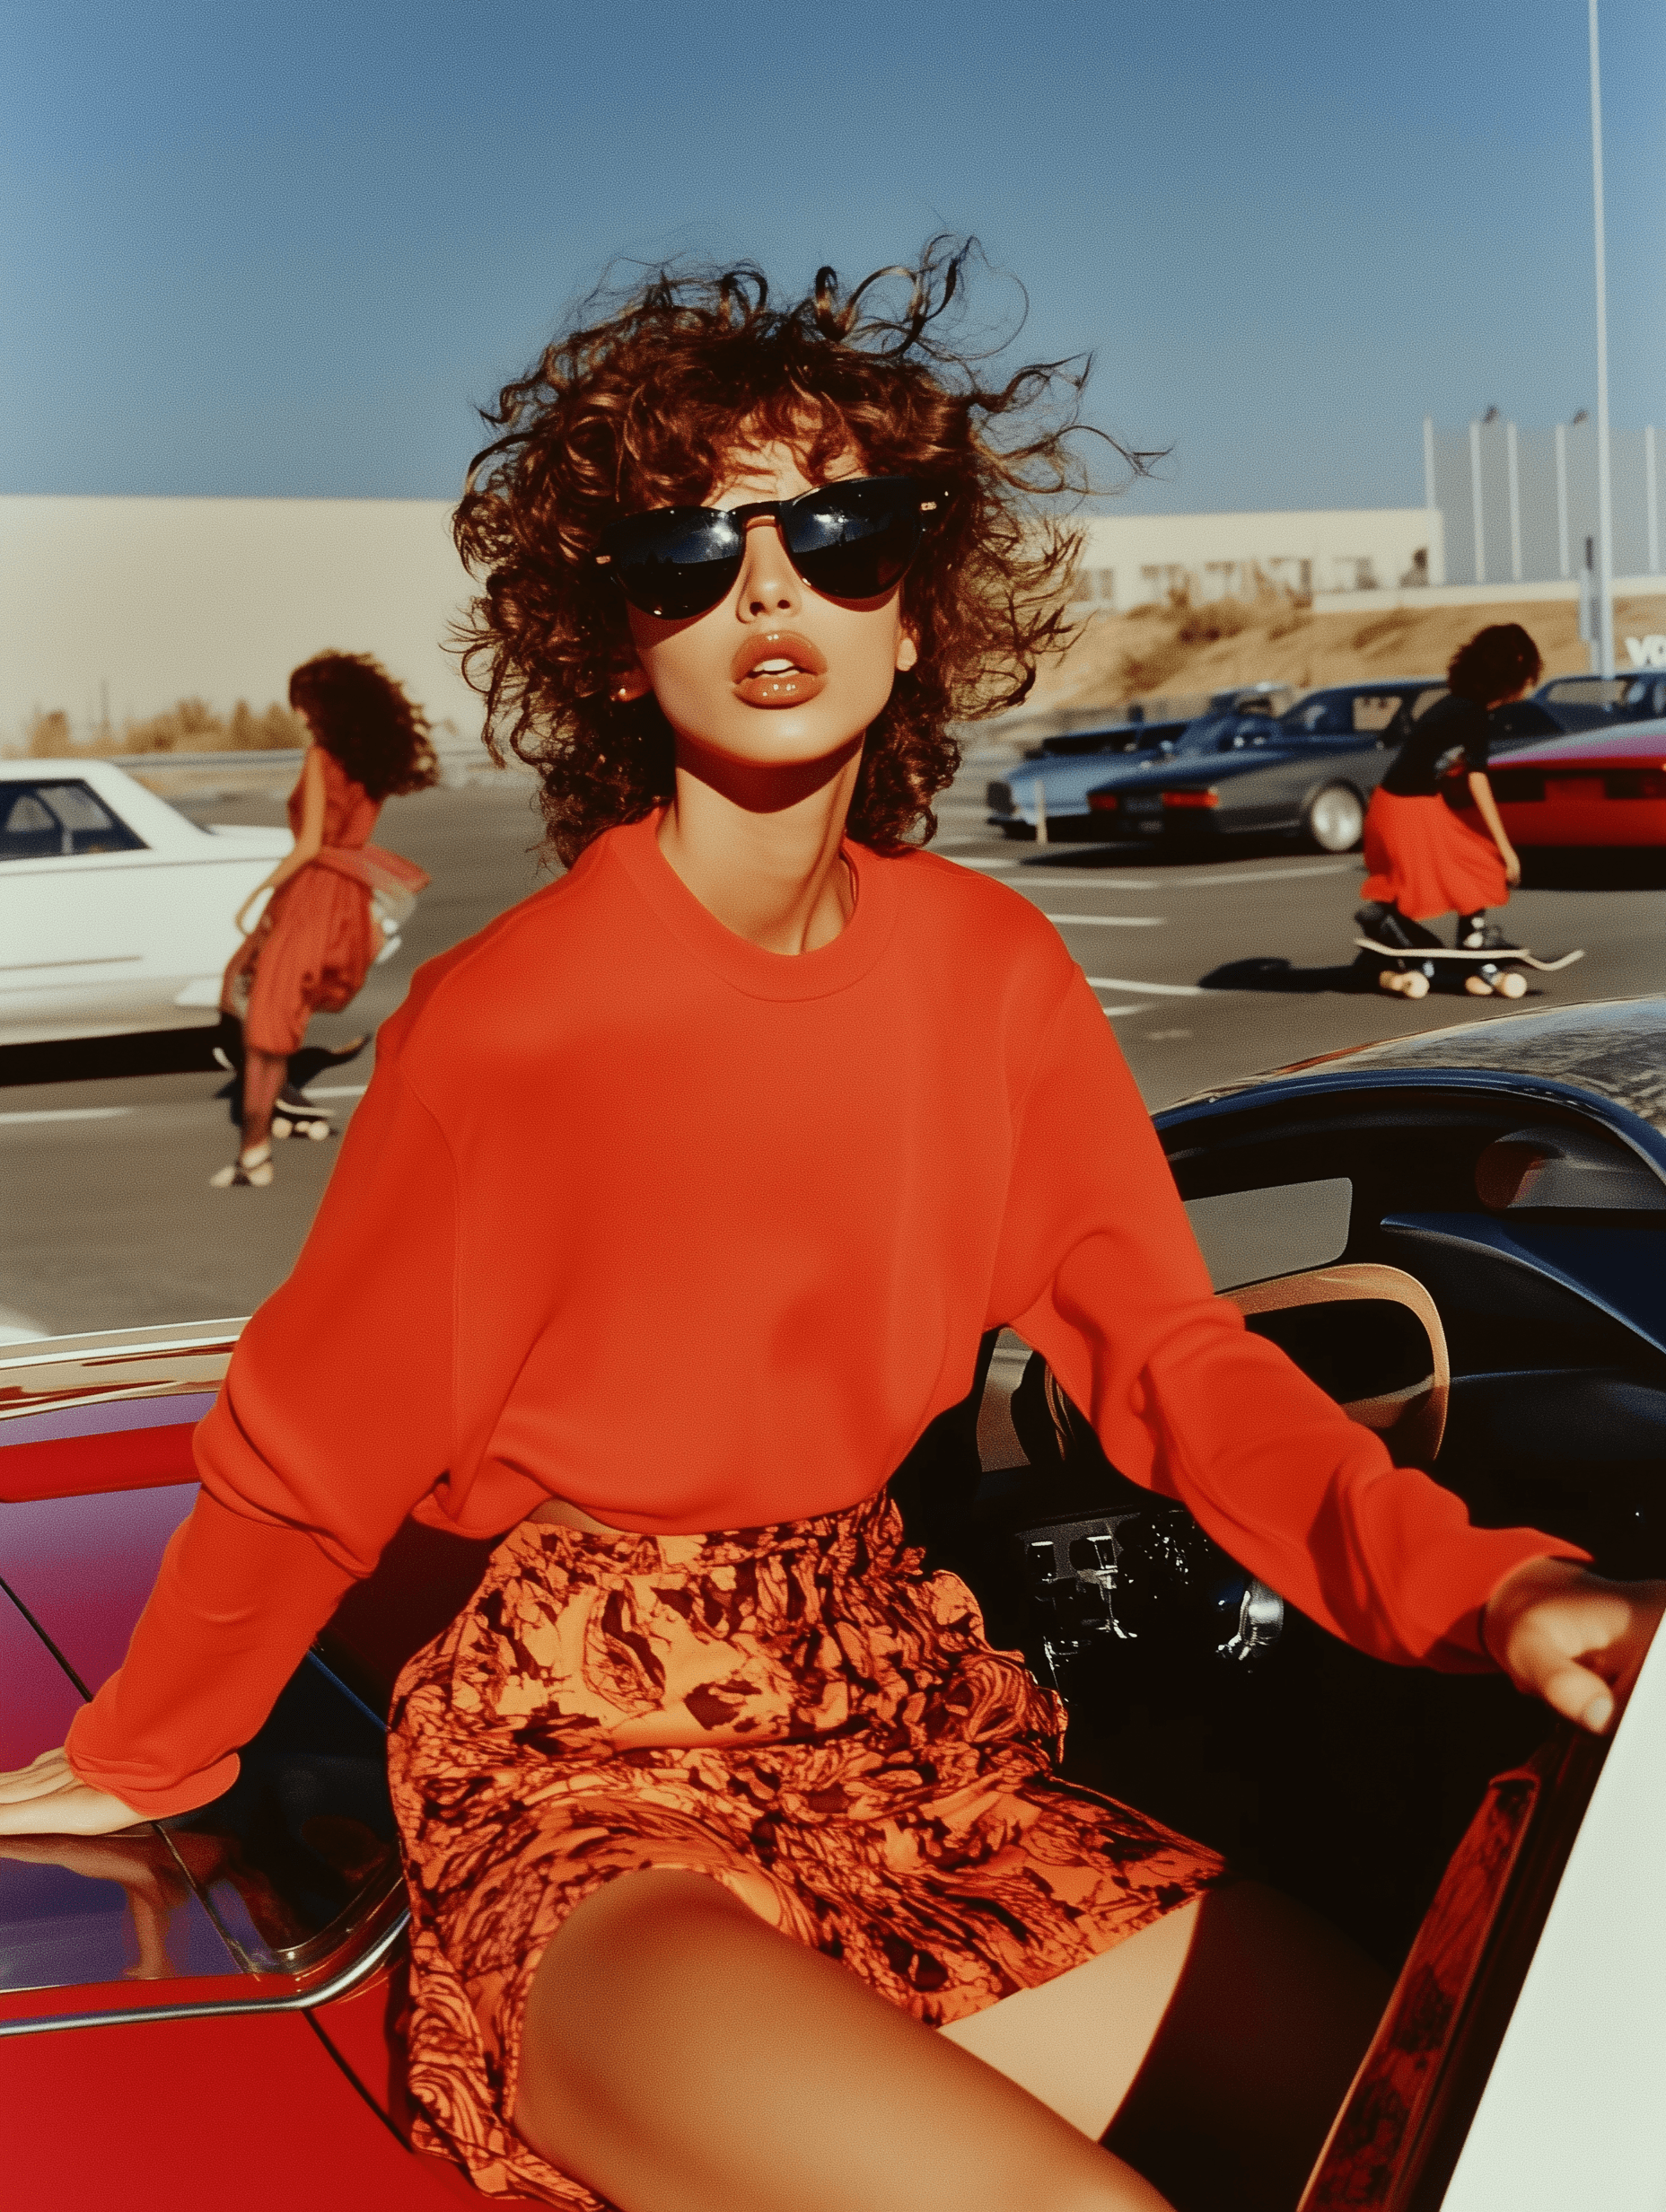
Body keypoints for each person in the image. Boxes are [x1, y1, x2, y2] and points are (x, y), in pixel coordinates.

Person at [2, 248, 1661, 2212]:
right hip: (586, 1773)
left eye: (837, 528)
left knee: (1439, 2138)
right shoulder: (519, 1019)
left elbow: (1176, 1370)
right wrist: (148, 1747)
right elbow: (312, 1440)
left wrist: (1479, 1586)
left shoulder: (995, 975)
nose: (767, 584)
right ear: (617, 638)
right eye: (686, 547)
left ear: (914, 608)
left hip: (904, 1743)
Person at [212, 650, 438, 1188]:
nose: (303, 719)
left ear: (327, 708)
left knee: (262, 1013)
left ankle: (255, 1151)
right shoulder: (372, 762)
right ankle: (272, 1118)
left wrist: (258, 894)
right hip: (346, 897)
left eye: (306, 709)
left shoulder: (320, 758)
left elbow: (309, 844)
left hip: (310, 893)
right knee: (264, 1005)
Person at [1357, 622, 1543, 962]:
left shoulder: (1453, 705)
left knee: (1448, 867)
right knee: (1485, 862)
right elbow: (1478, 781)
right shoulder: (1472, 716)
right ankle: (1466, 939)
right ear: (1513, 678)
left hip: (1392, 805)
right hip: (1409, 810)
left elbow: (1433, 762)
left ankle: (1384, 919)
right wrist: (1507, 848)